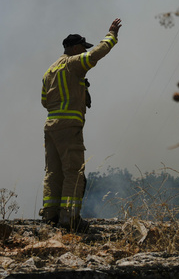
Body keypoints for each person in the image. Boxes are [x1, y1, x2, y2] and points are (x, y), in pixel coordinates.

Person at [38, 17, 122, 231]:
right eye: (81, 48)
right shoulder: (73, 63)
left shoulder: (49, 71)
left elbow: (44, 101)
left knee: (53, 172)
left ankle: (50, 217)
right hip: (69, 127)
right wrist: (111, 35)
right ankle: (70, 218)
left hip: (50, 127)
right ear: (74, 48)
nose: (83, 51)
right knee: (73, 171)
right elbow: (96, 54)